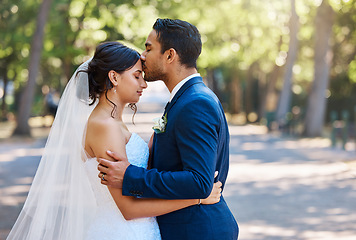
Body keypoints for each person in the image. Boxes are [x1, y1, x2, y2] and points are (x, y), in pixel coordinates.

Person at [6, 42, 221, 240]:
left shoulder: (113, 122)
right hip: (122, 232)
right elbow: (129, 209)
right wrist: (198, 198)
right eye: (137, 76)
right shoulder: (104, 126)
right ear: (114, 77)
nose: (144, 84)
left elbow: (134, 173)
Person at [98, 19, 239, 239]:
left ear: (170, 55)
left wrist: (130, 176)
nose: (142, 56)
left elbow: (199, 182)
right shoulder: (186, 99)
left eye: (148, 48)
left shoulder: (195, 102)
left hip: (198, 231)